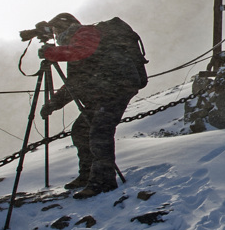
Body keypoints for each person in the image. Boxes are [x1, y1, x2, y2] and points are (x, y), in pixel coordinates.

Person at [38, 13, 147, 199]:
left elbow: (81, 51)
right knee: (80, 130)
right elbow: (76, 82)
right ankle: (88, 175)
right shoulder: (76, 41)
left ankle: (103, 181)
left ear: (66, 27)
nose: (56, 37)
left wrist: (51, 53)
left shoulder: (86, 32)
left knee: (99, 133)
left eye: (56, 31)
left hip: (117, 88)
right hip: (103, 91)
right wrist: (54, 103)